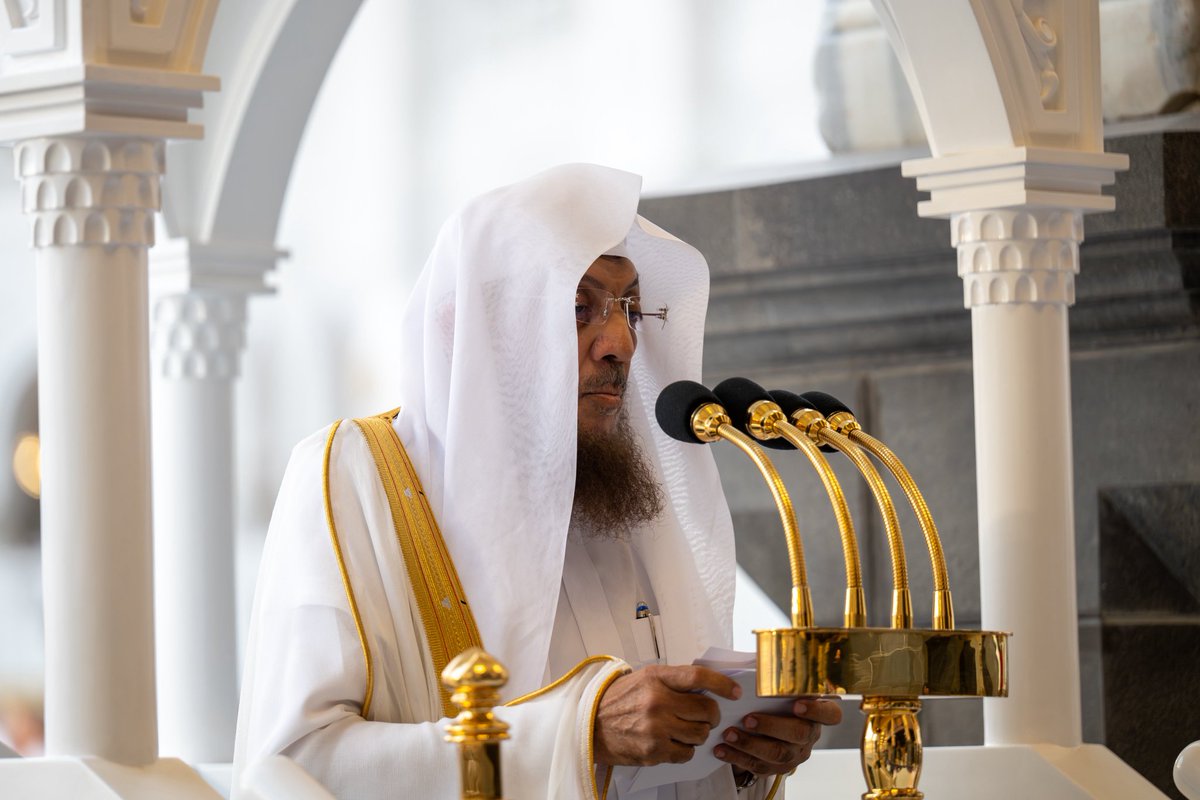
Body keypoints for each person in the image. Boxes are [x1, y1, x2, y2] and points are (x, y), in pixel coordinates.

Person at [233, 164, 841, 800]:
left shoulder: (615, 494)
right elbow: (294, 767)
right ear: (470, 328)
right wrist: (579, 732)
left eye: (630, 309)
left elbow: (646, 763)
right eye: (580, 308)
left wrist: (734, 753)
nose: (620, 343)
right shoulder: (354, 475)